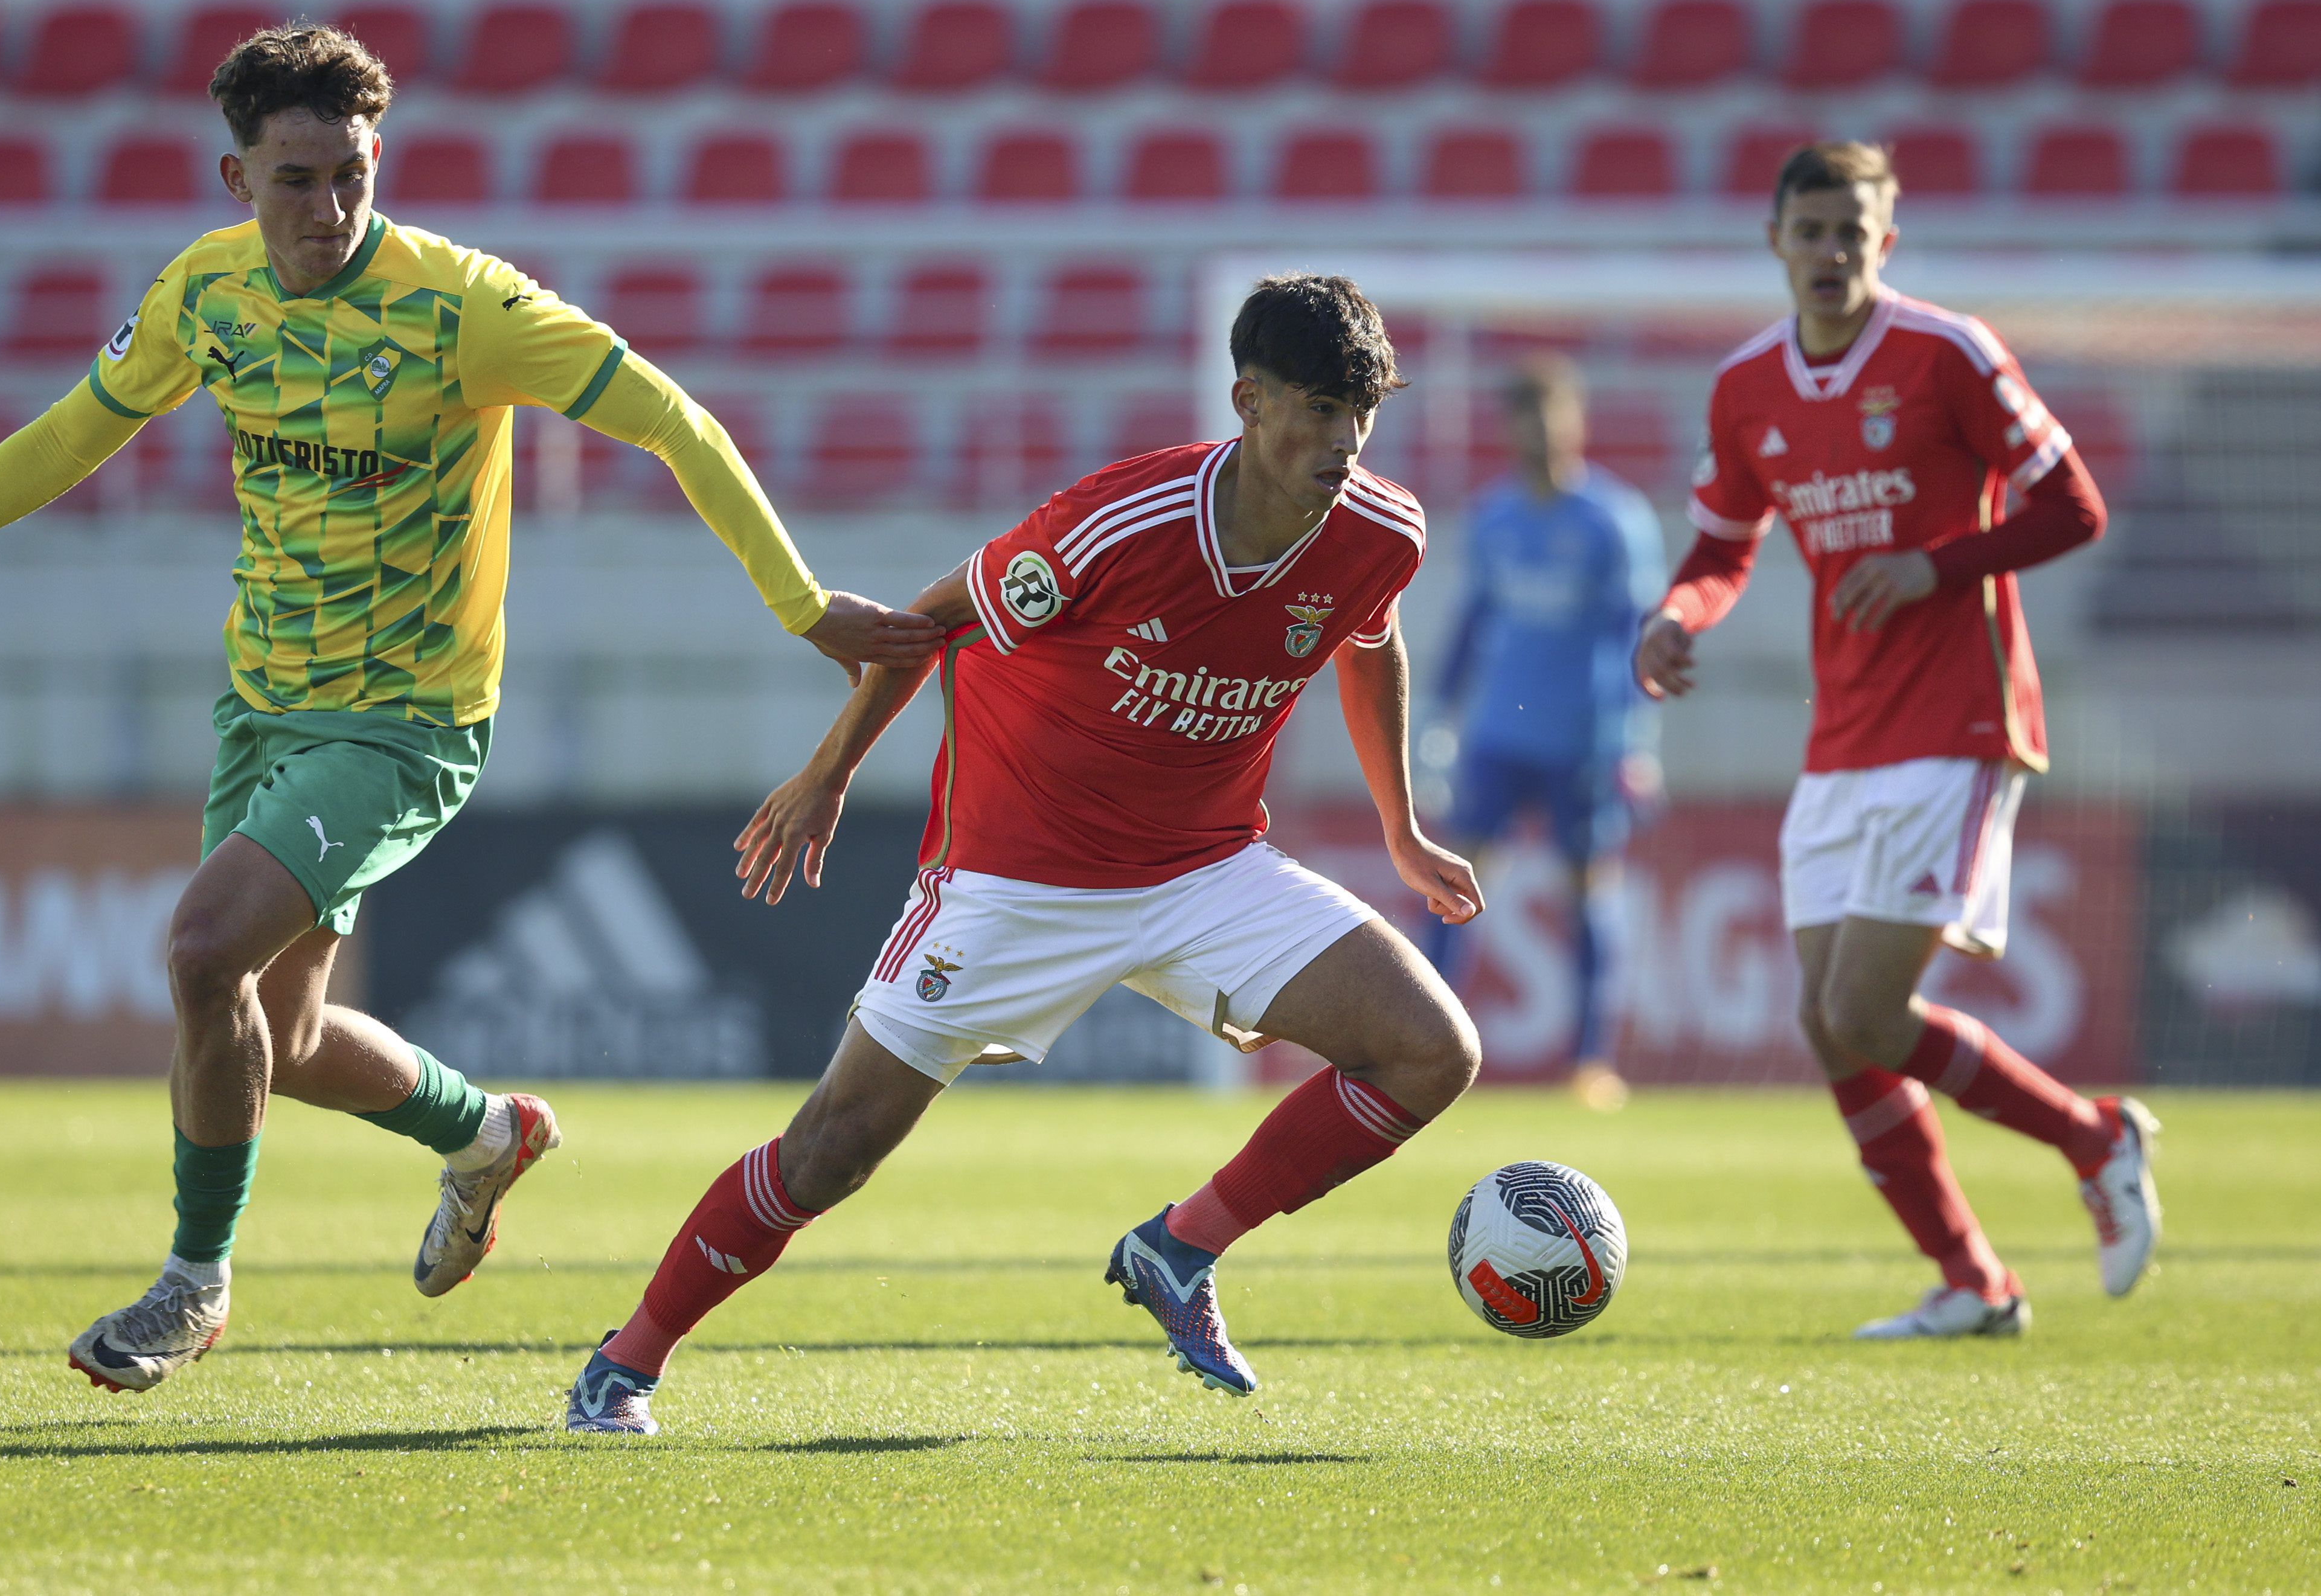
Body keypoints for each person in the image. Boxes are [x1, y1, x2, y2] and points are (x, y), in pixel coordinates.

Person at [0, 24, 938, 1393]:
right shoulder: (208, 295)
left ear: (380, 159)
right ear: (234, 179)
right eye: (294, 181)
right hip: (264, 704)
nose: (326, 211)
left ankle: (193, 1283)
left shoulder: (462, 307)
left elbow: (667, 414)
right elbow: (77, 428)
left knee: (202, 950)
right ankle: (489, 1134)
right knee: (289, 1034)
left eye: (349, 175)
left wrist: (800, 604)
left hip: (407, 718)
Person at [559, 273, 1486, 1436]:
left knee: (1429, 1049)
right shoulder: (1124, 522)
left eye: (1360, 411)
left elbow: (1369, 639)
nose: (1342, 440)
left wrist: (1398, 822)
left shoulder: (1376, 529)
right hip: (1014, 879)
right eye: (1315, 407)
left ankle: (1179, 1245)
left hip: (1204, 869)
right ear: (1247, 400)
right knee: (831, 1148)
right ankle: (623, 1362)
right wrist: (828, 768)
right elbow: (928, 621)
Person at [1634, 141, 2157, 1340]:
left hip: (1959, 716)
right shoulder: (1747, 386)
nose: (1829, 253)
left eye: (1851, 233)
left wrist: (1935, 562)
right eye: (1810, 230)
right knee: (1829, 1023)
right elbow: (1722, 547)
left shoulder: (1948, 354)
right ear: (1775, 238)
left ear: (1885, 242)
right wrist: (1675, 615)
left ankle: (2095, 1136)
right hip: (1846, 732)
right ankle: (1973, 1279)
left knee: (1866, 1011)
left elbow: (2074, 505)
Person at [1425, 353, 1666, 1110]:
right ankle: (1427, 1044)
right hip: (1499, 736)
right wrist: (1437, 718)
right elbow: (1474, 622)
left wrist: (1638, 742)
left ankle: (1590, 1062)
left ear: (1575, 421)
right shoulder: (1494, 516)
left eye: (1549, 414)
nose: (1537, 430)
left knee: (1588, 892)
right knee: (1452, 887)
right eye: (1523, 416)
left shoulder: (1611, 520)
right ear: (1508, 428)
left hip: (1583, 742)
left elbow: (1640, 639)